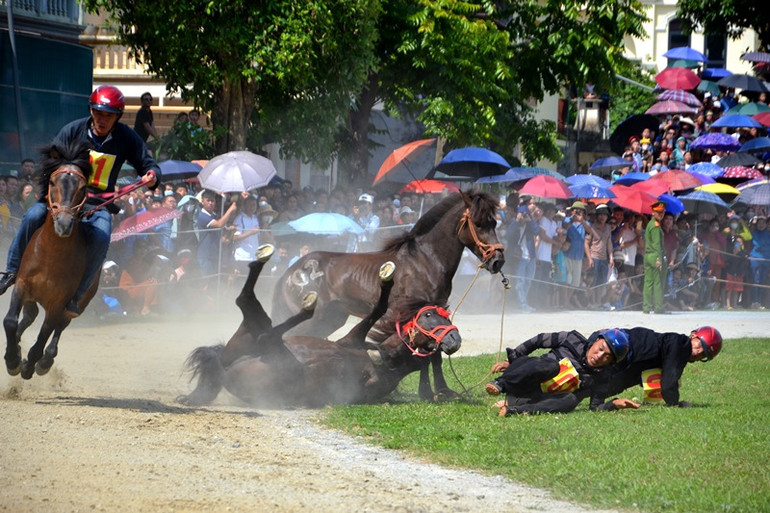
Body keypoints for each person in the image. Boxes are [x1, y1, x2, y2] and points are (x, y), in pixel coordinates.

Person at [0, 85, 160, 317]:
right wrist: (50, 194)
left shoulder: (127, 137)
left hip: (98, 204)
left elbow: (148, 164)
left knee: (102, 235)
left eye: (109, 115)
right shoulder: (72, 130)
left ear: (118, 117)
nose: (102, 119)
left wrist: (153, 175)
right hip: (64, 198)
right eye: (98, 113)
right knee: (33, 215)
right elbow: (51, 164)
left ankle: (79, 293)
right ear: (91, 110)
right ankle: (11, 271)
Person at [486, 328, 635, 415]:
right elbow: (539, 340)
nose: (599, 356)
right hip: (523, 377)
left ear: (611, 362)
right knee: (552, 366)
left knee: (571, 400)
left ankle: (514, 409)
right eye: (600, 349)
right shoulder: (571, 338)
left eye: (607, 357)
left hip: (537, 397)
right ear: (596, 341)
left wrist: (614, 404)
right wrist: (511, 360)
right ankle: (501, 384)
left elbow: (595, 407)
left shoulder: (602, 376)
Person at [602, 326, 722, 407]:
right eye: (699, 346)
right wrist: (676, 404)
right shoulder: (682, 346)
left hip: (626, 347)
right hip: (627, 350)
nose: (697, 352)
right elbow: (668, 386)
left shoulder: (676, 343)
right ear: (693, 335)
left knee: (597, 386)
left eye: (703, 354)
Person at [643, 201, 667, 314]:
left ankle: (646, 307)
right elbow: (657, 244)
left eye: (662, 212)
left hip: (647, 255)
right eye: (658, 212)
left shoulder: (650, 224)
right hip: (655, 255)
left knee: (648, 282)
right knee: (658, 282)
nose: (660, 215)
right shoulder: (656, 226)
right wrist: (659, 259)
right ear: (653, 213)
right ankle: (658, 307)